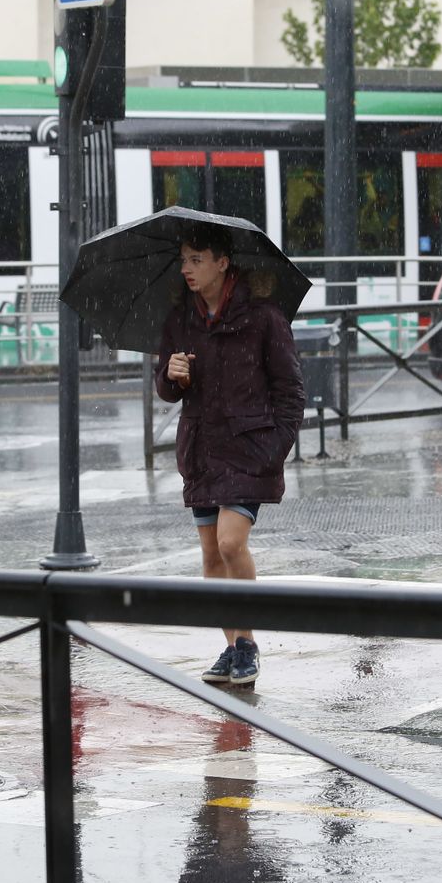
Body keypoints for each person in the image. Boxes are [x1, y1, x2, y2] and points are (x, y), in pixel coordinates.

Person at [154, 227, 304, 687]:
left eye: (195, 259)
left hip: (248, 449)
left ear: (222, 263)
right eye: (183, 260)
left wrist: (274, 447)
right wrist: (171, 375)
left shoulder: (263, 317)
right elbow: (165, 388)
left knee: (230, 543)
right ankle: (230, 646)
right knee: (209, 554)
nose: (186, 269)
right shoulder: (181, 319)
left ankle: (248, 643)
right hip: (202, 448)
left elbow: (290, 391)